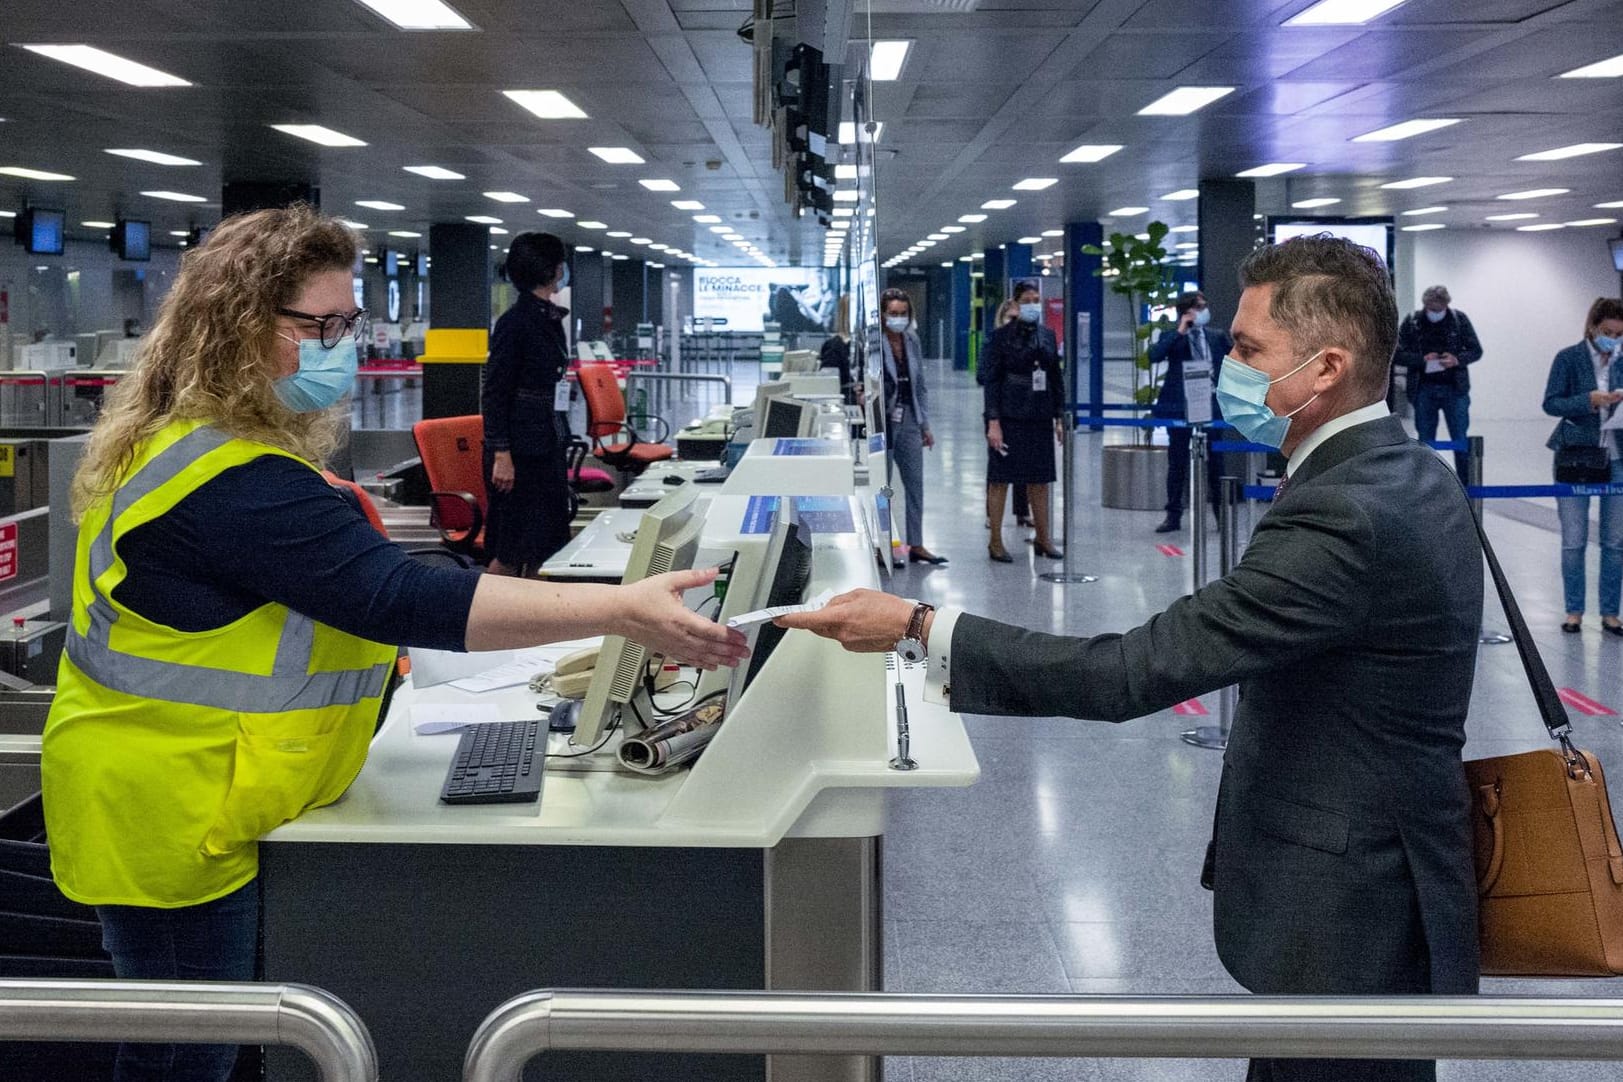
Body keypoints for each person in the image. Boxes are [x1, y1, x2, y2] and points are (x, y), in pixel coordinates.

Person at [40, 205, 747, 1082]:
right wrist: (614, 610)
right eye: (317, 325)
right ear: (236, 326)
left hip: (210, 795)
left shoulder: (223, 448)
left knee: (218, 1046)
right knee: (189, 1058)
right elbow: (393, 594)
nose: (339, 344)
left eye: (349, 323)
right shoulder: (228, 480)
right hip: (171, 815)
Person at [782, 236, 1481, 1082]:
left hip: (1351, 908)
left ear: (1326, 367)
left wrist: (919, 626)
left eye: (1248, 350)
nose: (1228, 365)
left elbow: (1127, 672)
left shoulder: (1347, 515)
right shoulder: (1406, 470)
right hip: (1384, 884)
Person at [483, 231, 575, 577]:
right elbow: (495, 392)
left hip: (545, 445)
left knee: (545, 546)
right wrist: (501, 453)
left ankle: (535, 627)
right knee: (512, 548)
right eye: (560, 264)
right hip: (517, 456)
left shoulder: (549, 319)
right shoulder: (515, 324)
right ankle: (479, 626)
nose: (563, 270)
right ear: (551, 270)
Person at [1542, 296, 1623, 635]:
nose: (1613, 340)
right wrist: (1588, 400)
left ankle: (1610, 613)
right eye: (1608, 332)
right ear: (1592, 327)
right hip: (1576, 456)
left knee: (1615, 541)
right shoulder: (1569, 358)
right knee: (1574, 540)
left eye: (1619, 335)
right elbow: (1551, 402)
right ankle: (1574, 610)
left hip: (1617, 457)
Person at [982, 282, 1064, 562]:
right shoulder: (1000, 337)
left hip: (1039, 415)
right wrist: (993, 421)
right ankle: (995, 541)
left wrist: (1059, 417)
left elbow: (1056, 378)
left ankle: (1044, 538)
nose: (1033, 304)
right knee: (1000, 479)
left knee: (1040, 479)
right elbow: (990, 380)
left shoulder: (1047, 336)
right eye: (1027, 300)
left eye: (1036, 299)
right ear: (1015, 304)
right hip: (1008, 415)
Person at [869, 288, 946, 565]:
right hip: (884, 422)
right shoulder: (873, 344)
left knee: (915, 484)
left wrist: (925, 424)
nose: (898, 318)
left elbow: (921, 386)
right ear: (883, 315)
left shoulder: (911, 340)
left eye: (902, 314)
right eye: (893, 314)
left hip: (910, 419)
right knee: (883, 487)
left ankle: (917, 543)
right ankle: (882, 543)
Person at [1148, 290, 1232, 533]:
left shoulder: (1215, 336)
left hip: (1210, 404)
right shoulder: (1172, 336)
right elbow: (1155, 355)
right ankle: (1173, 515)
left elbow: (1234, 360)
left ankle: (1220, 514)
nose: (1204, 310)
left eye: (1204, 305)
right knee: (1177, 462)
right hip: (1180, 406)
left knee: (1216, 463)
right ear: (1186, 311)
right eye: (1199, 306)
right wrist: (1181, 330)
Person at [1395, 285, 1483, 476]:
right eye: (1432, 309)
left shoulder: (1459, 321)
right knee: (1425, 441)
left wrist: (1456, 359)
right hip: (1423, 389)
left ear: (1446, 304)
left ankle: (1465, 486)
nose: (1435, 312)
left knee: (1460, 438)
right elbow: (1397, 354)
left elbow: (1476, 350)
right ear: (1425, 305)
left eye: (1439, 309)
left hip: (1455, 389)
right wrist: (1422, 360)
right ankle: (1428, 482)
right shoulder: (1412, 322)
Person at [985, 299, 1033, 532]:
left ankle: (1023, 511)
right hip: (999, 411)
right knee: (998, 467)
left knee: (1024, 463)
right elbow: (985, 377)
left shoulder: (1031, 342)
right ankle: (991, 516)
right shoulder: (995, 342)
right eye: (1010, 319)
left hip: (1024, 409)